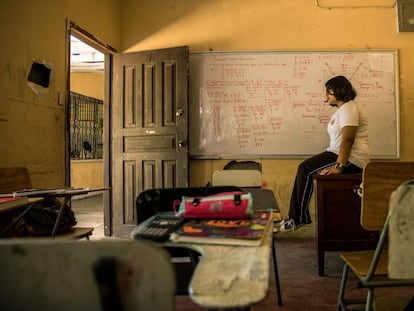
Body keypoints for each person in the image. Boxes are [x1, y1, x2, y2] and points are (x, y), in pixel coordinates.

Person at [280, 75, 370, 232]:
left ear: (337, 91)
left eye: (328, 92)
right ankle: (297, 217)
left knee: (305, 169)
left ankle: (297, 219)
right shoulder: (343, 110)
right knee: (305, 168)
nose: (326, 95)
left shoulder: (349, 108)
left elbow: (348, 139)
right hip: (337, 153)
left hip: (352, 158)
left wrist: (339, 167)